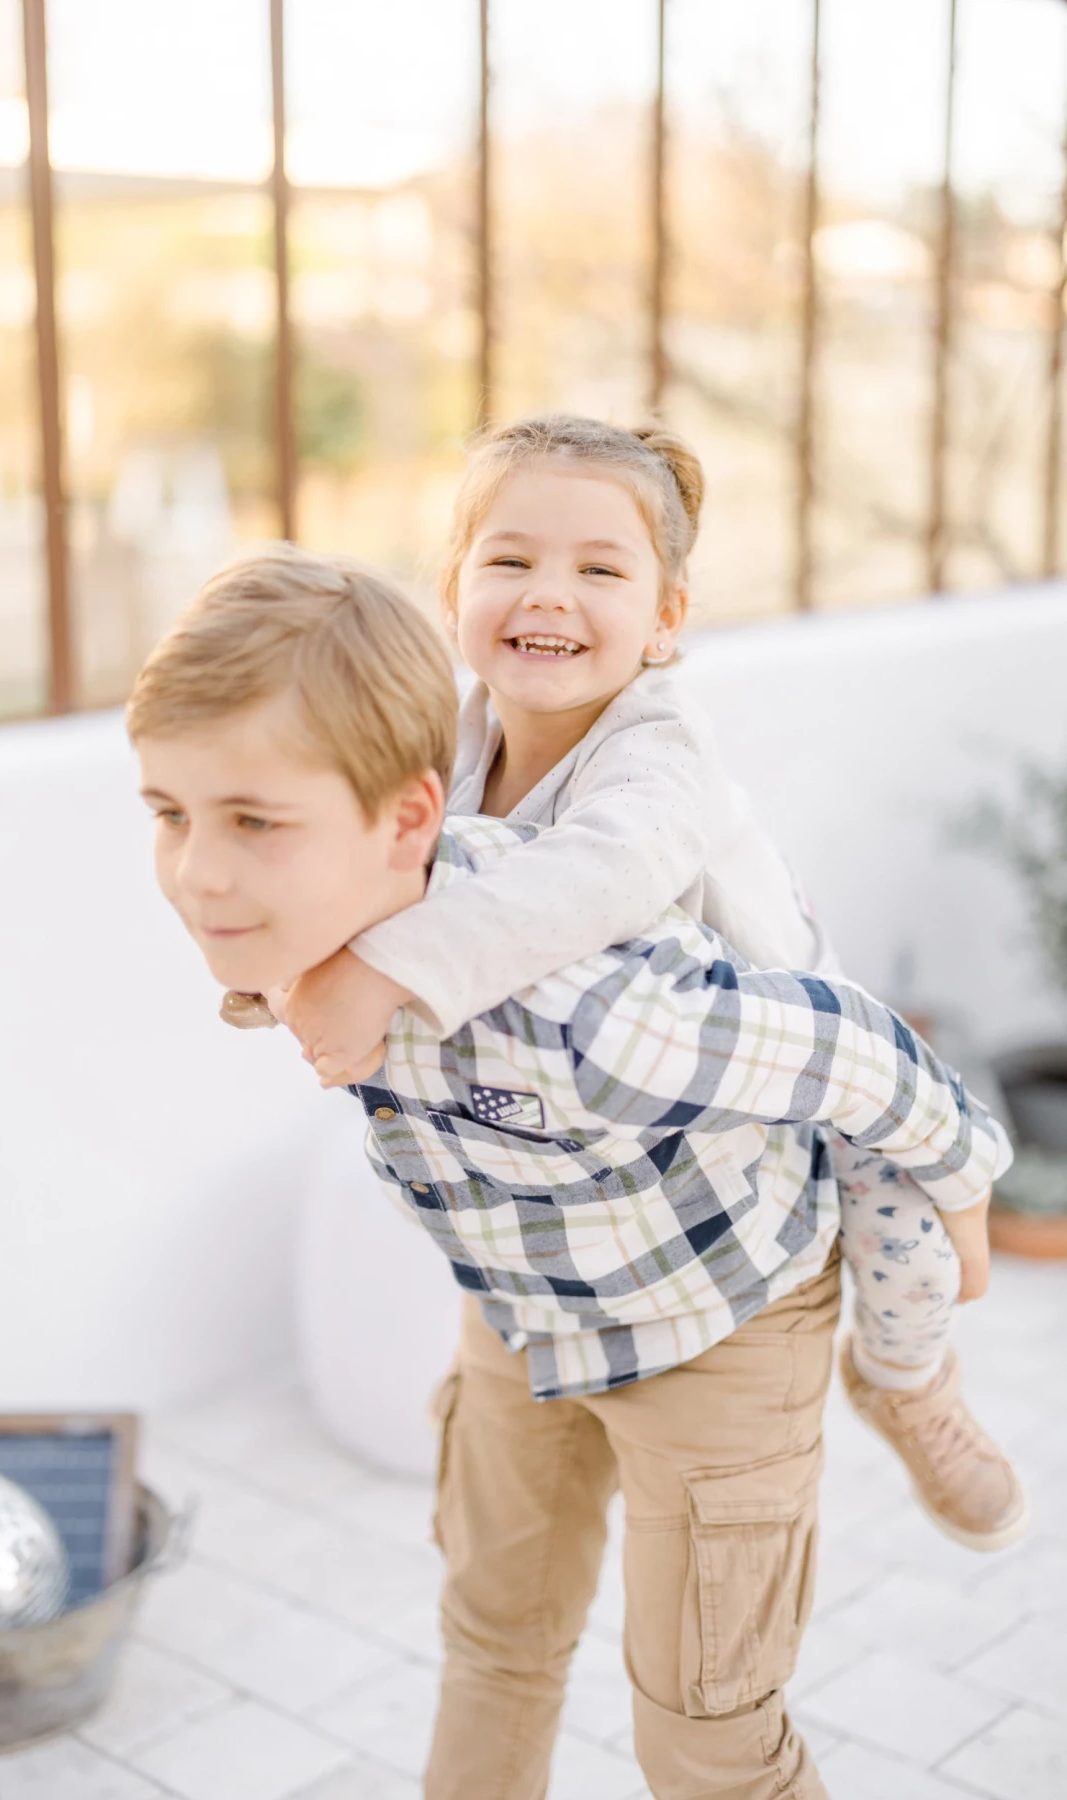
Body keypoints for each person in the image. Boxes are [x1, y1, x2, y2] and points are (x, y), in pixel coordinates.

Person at [128, 545, 1012, 1800]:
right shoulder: (307, 926)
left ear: (410, 821)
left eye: (254, 823)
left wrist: (966, 1195)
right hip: (535, 1316)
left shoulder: (595, 1009)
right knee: (493, 1648)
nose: (199, 874)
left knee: (710, 1738)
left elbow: (864, 1048)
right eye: (171, 815)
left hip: (721, 1329)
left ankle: (910, 1388)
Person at [277, 414, 1027, 1555]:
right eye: (512, 561)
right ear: (455, 586)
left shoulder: (659, 754)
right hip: (634, 1153)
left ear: (665, 620)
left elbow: (592, 879)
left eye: (599, 570)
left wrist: (389, 965)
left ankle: (908, 1382)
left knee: (914, 1240)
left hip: (798, 1066)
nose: (549, 596)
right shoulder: (452, 746)